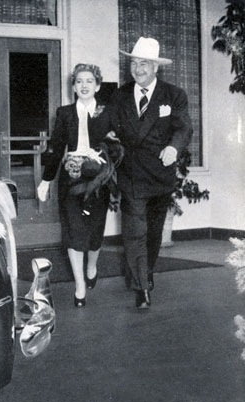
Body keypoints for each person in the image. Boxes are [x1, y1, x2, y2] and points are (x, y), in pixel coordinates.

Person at [111, 37, 193, 309]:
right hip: (131, 174)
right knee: (135, 230)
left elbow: (184, 129)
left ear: (156, 67)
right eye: (134, 63)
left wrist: (173, 147)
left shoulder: (174, 95)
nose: (138, 69)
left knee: (154, 232)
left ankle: (145, 271)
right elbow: (106, 125)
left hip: (160, 174)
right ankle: (141, 288)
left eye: (144, 63)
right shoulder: (120, 94)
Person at [37, 63, 119, 308]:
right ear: (73, 86)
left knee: (94, 231)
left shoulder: (108, 112)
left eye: (89, 81)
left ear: (97, 85)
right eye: (79, 81)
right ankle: (80, 285)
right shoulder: (64, 113)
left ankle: (92, 266)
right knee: (74, 230)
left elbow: (118, 144)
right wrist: (46, 179)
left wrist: (108, 152)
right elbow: (55, 147)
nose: (84, 86)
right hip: (71, 177)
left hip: (98, 178)